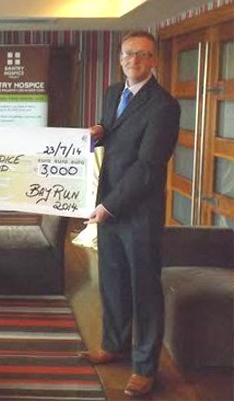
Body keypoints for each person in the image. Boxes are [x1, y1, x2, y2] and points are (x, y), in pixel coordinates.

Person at [84, 31, 180, 397]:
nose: (133, 60)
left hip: (139, 211)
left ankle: (144, 367)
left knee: (144, 290)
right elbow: (114, 133)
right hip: (109, 203)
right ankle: (114, 345)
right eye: (128, 53)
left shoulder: (164, 106)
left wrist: (108, 206)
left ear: (153, 60)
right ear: (120, 57)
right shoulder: (113, 93)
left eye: (142, 54)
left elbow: (148, 167)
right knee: (112, 281)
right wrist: (99, 131)